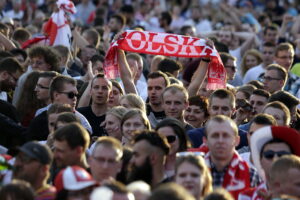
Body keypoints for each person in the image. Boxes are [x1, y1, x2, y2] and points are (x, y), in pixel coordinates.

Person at [204, 115, 261, 199]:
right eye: (215, 135)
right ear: (205, 141)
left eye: (226, 135)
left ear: (237, 140)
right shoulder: (194, 172)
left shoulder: (252, 175)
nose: (220, 141)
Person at [240, 126, 300, 200]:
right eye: (269, 155)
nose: (275, 159)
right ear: (260, 161)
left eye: (282, 155)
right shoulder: (246, 197)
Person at [27, 75, 92, 141]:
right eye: (71, 95)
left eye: (76, 95)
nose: (75, 98)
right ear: (56, 95)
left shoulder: (82, 122)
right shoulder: (39, 118)